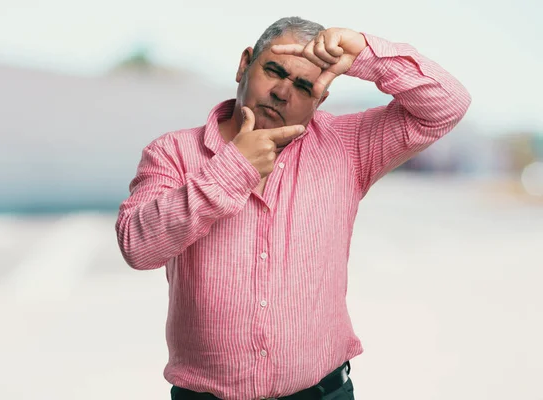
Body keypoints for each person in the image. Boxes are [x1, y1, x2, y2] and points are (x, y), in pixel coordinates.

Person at [115, 16, 471, 400]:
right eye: (274, 70)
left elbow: (448, 104)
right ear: (244, 65)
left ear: (319, 101)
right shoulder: (172, 152)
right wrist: (234, 168)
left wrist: (365, 55)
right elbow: (137, 245)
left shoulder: (346, 146)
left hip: (323, 392)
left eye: (304, 86)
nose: (284, 92)